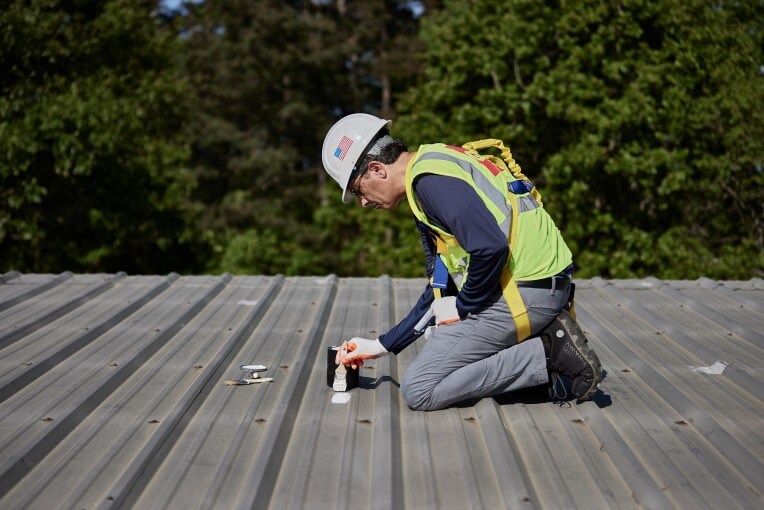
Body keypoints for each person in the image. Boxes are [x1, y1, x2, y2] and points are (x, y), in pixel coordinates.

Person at [321, 113, 602, 411]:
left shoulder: (431, 185)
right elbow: (441, 287)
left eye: (357, 190)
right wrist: (382, 345)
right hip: (536, 287)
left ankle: (550, 353)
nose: (363, 202)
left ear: (376, 169)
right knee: (439, 334)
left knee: (420, 389)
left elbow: (490, 249)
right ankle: (540, 342)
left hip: (525, 295)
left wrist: (465, 305)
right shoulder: (433, 164)